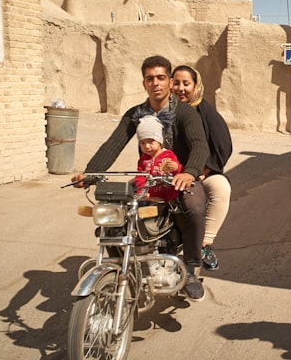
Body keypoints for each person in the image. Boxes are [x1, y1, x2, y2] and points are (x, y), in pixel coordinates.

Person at [72, 55, 209, 301]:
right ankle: (120, 262)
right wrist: (90, 174)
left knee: (194, 208)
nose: (155, 83)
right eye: (150, 78)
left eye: (161, 77)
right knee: (116, 205)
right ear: (144, 83)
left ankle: (189, 269)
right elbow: (112, 146)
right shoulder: (135, 113)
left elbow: (200, 144)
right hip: (148, 178)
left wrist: (189, 172)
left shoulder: (185, 113)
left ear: (169, 81)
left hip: (181, 176)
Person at [172, 65, 233, 271]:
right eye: (176, 83)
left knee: (221, 188)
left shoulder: (204, 111)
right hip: (168, 172)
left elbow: (223, 144)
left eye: (186, 84)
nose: (180, 88)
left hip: (200, 172)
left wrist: (201, 171)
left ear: (195, 86)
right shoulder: (164, 110)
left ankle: (205, 243)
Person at [133, 115, 181, 201]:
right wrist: (142, 192)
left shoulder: (168, 155)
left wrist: (176, 168)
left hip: (169, 197)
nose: (147, 146)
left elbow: (179, 171)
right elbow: (140, 177)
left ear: (159, 141)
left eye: (151, 142)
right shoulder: (143, 160)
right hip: (150, 197)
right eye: (142, 143)